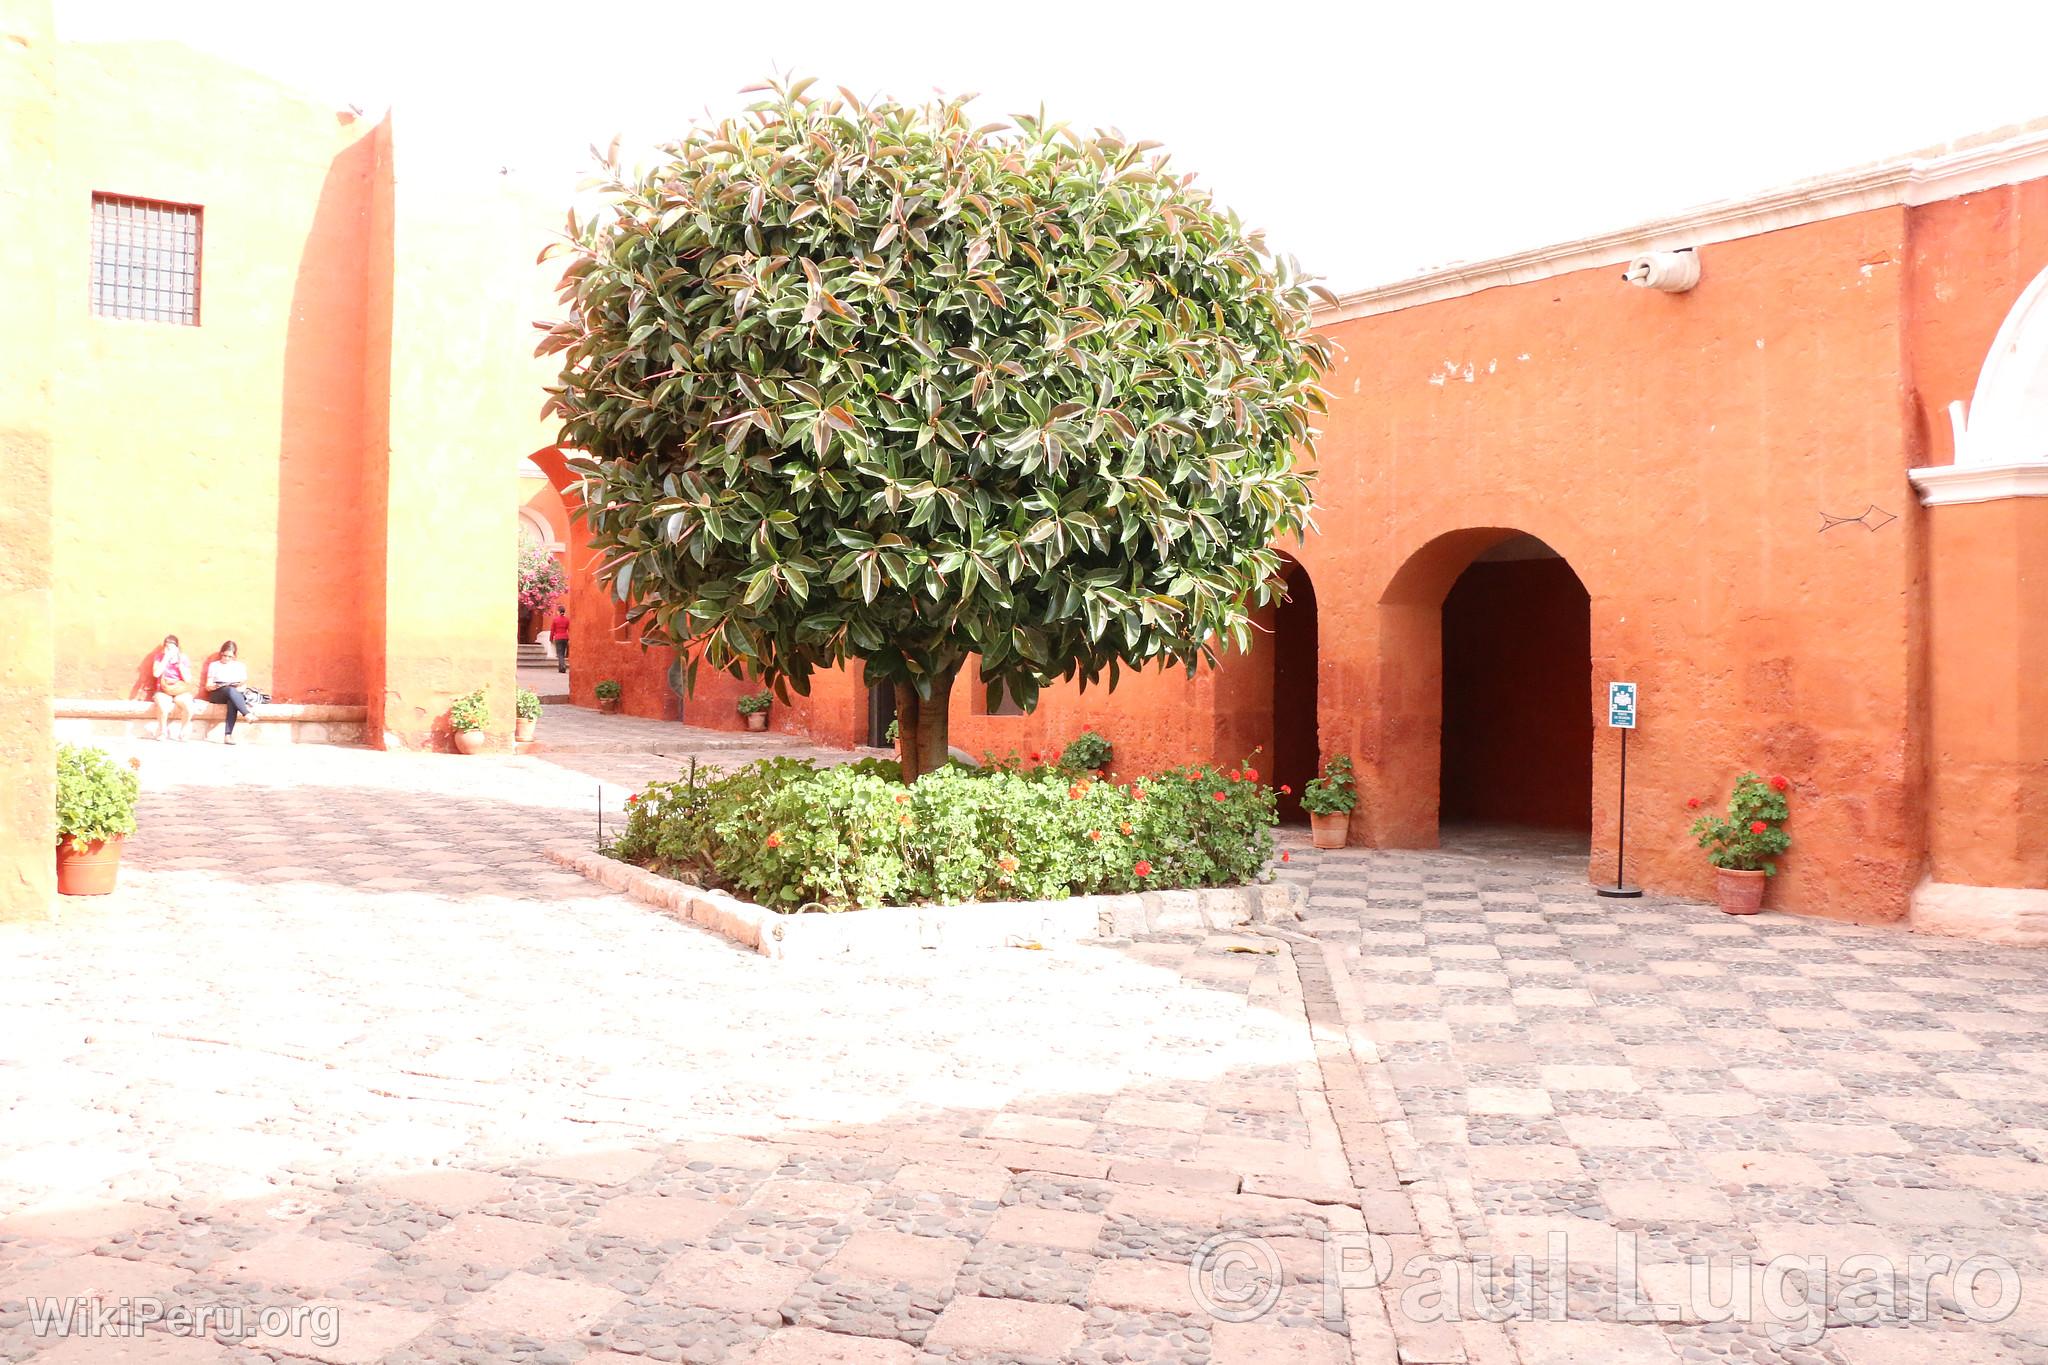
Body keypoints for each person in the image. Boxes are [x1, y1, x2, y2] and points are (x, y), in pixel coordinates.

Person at [204, 640, 261, 744]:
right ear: (221, 653)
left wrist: (237, 684)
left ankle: (228, 736)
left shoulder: (240, 666)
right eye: (224, 655)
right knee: (230, 690)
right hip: (218, 693)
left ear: (234, 656)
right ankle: (247, 714)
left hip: (234, 691)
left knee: (232, 700)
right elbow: (208, 686)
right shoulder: (214, 665)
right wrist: (214, 686)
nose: (226, 658)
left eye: (230, 657)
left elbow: (243, 684)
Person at [149, 635, 198, 741]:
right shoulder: (159, 657)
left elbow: (188, 679)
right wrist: (166, 658)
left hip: (180, 690)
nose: (169, 649)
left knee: (189, 707)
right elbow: (156, 674)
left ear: (177, 648)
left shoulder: (183, 658)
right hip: (163, 689)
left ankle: (183, 731)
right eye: (167, 647)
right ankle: (162, 731)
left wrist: (180, 666)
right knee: (163, 706)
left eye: (171, 647)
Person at [550, 607, 570, 673]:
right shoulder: (567, 619)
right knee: (563, 653)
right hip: (565, 637)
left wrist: (551, 638)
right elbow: (569, 629)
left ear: (558, 611)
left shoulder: (555, 619)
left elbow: (552, 630)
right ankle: (560, 668)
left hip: (558, 637)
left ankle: (562, 667)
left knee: (560, 654)